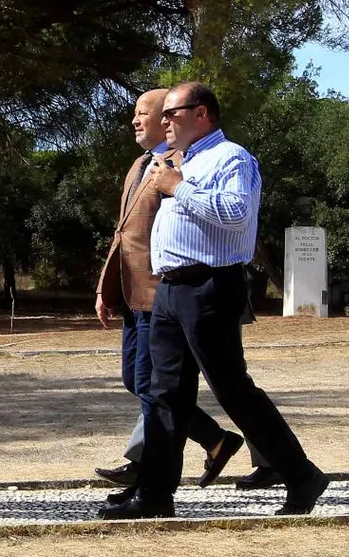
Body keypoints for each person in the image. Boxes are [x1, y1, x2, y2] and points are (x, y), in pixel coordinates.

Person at [101, 82, 330, 519]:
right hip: (169, 288)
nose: (164, 121)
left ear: (201, 113)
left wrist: (178, 188)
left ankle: (301, 474)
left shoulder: (232, 158)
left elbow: (237, 214)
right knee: (165, 393)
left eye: (172, 113)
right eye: (162, 114)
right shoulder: (180, 161)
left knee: (232, 390)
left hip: (209, 286)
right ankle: (155, 495)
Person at [93, 87, 245, 497]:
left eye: (145, 113)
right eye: (135, 114)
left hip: (163, 294)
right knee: (139, 380)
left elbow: (192, 231)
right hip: (131, 292)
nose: (137, 121)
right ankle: (215, 440)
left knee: (162, 385)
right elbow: (125, 233)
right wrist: (106, 288)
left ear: (169, 116)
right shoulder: (141, 165)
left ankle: (148, 475)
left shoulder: (184, 167)